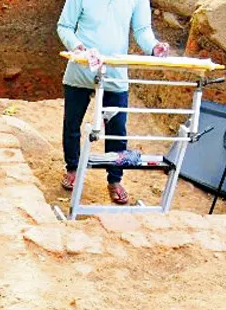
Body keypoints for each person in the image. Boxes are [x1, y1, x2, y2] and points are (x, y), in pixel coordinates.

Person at [57, 0, 170, 205]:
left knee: (117, 128)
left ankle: (115, 179)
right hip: (80, 69)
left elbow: (142, 30)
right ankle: (73, 169)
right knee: (72, 123)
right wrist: (77, 47)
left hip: (115, 72)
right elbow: (64, 26)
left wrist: (154, 47)